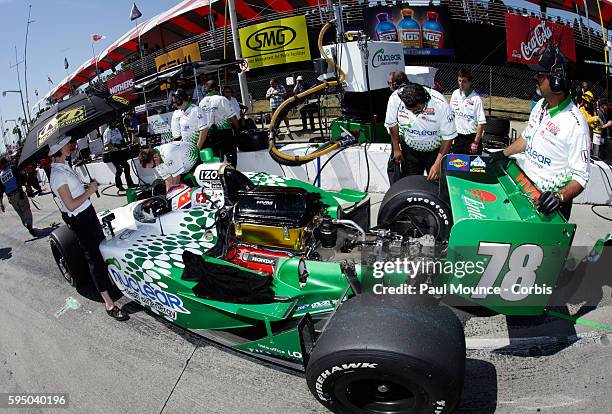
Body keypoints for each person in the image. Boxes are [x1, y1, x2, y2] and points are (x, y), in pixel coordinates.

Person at [490, 46, 590, 219]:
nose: (535, 77)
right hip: (526, 189)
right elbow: (527, 138)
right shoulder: (540, 106)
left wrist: (558, 197)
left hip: (550, 206)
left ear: (556, 80)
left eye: (541, 75)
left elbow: (581, 177)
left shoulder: (576, 125)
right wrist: (503, 153)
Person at [49, 136, 128, 321]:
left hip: (88, 214)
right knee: (94, 259)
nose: (72, 145)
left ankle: (112, 281)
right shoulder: (58, 174)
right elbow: (70, 205)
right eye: (68, 144)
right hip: (80, 219)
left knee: (102, 249)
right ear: (60, 148)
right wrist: (90, 191)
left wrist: (85, 188)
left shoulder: (64, 167)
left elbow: (73, 194)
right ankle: (109, 303)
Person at [384, 71, 457, 184]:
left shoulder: (440, 104)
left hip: (435, 151)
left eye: (417, 110)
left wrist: (437, 164)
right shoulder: (395, 99)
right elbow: (392, 124)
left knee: (437, 183)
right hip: (409, 150)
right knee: (411, 183)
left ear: (425, 100)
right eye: (410, 110)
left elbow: (448, 137)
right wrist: (396, 148)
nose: (413, 114)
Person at [199, 80, 240, 166]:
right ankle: (231, 174)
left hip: (210, 135)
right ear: (216, 88)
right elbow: (232, 117)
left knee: (216, 159)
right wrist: (237, 128)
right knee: (231, 158)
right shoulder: (221, 99)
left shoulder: (201, 102)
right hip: (225, 133)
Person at [449, 68, 487, 155]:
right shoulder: (455, 94)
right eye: (459, 81)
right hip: (458, 137)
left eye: (464, 81)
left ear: (470, 82)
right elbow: (451, 116)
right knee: (456, 166)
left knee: (473, 167)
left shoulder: (476, 99)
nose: (461, 84)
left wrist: (476, 142)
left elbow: (481, 123)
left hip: (472, 138)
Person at [0, 157, 37, 236]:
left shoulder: (0, 176)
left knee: (20, 212)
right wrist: (27, 186)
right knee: (26, 209)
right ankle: (29, 225)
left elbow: (1, 191)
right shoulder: (12, 168)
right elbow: (21, 177)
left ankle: (26, 224)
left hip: (11, 198)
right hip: (19, 194)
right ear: (5, 163)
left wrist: (1, 203)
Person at [103, 121, 135, 191]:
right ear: (110, 123)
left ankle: (130, 184)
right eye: (114, 123)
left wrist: (125, 144)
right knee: (119, 170)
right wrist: (114, 145)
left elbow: (121, 139)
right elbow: (106, 144)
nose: (116, 124)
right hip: (112, 153)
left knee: (126, 166)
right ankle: (119, 186)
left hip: (119, 151)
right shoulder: (107, 132)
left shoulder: (116, 129)